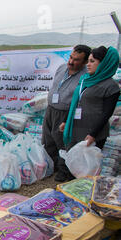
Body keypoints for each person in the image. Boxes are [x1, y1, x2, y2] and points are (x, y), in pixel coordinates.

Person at [60, 46, 120, 161]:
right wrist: (65, 120)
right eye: (88, 61)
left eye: (92, 61)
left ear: (104, 64)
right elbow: (75, 101)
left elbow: (106, 113)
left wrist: (93, 134)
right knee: (73, 163)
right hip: (76, 129)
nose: (88, 64)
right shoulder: (85, 79)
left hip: (92, 133)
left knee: (88, 168)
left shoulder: (110, 86)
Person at [42, 44, 91, 182]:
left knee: (63, 143)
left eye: (76, 60)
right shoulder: (62, 68)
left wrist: (68, 120)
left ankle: (64, 171)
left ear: (85, 62)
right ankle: (50, 166)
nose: (71, 62)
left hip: (65, 113)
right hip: (51, 109)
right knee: (47, 139)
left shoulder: (85, 76)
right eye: (71, 57)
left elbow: (81, 100)